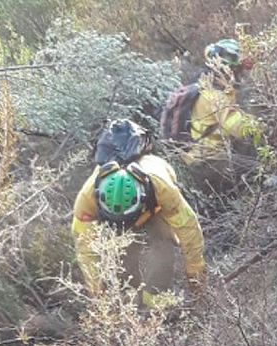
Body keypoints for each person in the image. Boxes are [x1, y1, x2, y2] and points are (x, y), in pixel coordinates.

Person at [71, 119, 206, 307]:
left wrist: (195, 274)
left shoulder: (162, 188)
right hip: (117, 220)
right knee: (121, 257)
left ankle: (156, 306)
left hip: (155, 211)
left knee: (162, 248)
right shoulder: (87, 198)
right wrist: (96, 289)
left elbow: (188, 230)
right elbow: (85, 246)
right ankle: (131, 299)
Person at [172, 38, 265, 193]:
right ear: (226, 69)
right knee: (256, 171)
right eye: (237, 70)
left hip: (204, 155)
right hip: (206, 161)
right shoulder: (215, 95)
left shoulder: (210, 86)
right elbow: (237, 127)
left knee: (247, 153)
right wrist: (261, 125)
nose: (239, 75)